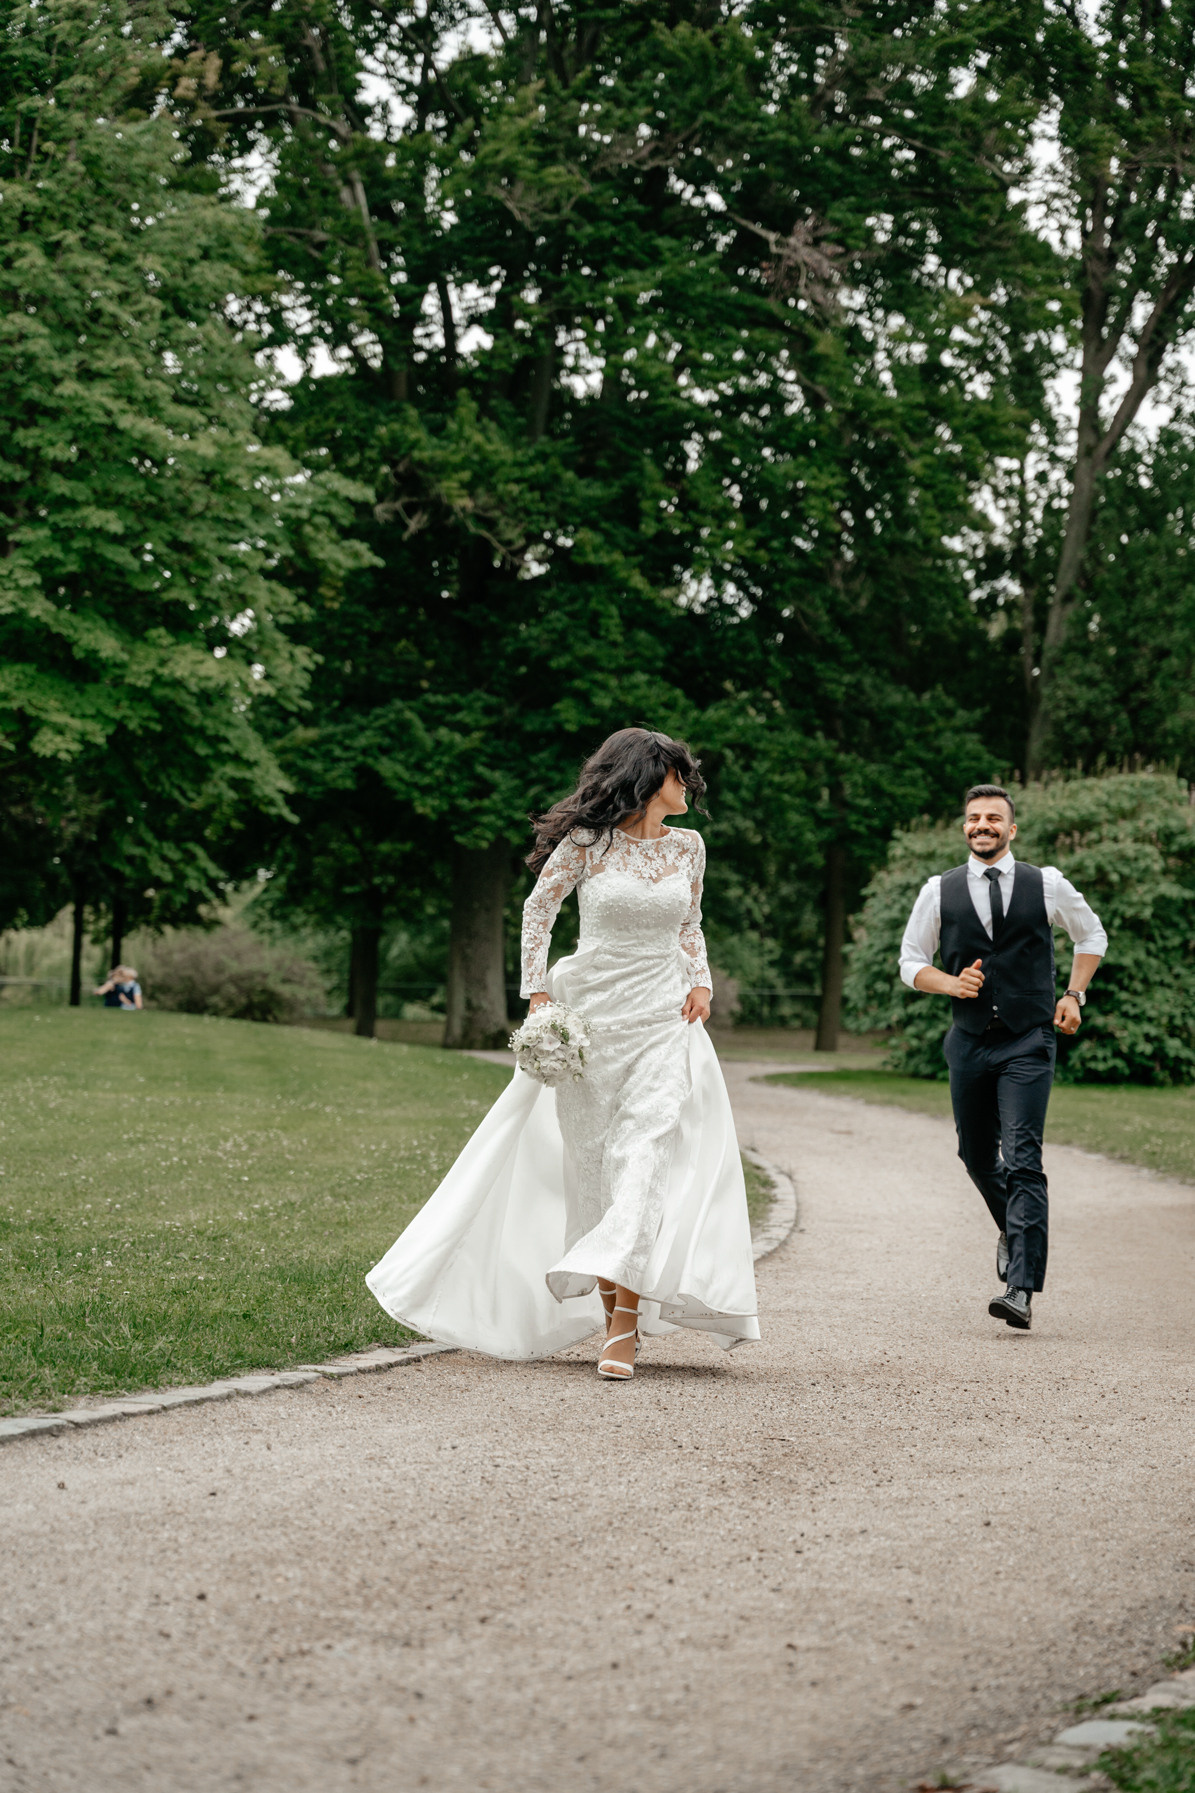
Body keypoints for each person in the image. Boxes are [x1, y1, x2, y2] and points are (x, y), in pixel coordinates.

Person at [367, 728, 760, 1376]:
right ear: (645, 775)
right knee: (596, 1170)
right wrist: (539, 994)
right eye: (676, 773)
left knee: (643, 1154)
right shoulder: (587, 844)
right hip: (592, 1018)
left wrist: (701, 980)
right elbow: (537, 909)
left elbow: (689, 923)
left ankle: (624, 1330)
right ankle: (613, 1315)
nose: (687, 785)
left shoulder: (689, 847)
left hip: (663, 1015)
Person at [899, 784, 1107, 1331]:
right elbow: (910, 961)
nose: (982, 825)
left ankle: (1020, 1287)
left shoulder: (1048, 884)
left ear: (1011, 830)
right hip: (968, 1042)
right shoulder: (938, 890)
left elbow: (1092, 936)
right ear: (964, 828)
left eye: (994, 818)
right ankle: (1013, 1231)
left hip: (1029, 1040)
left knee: (1022, 1158)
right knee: (974, 1153)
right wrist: (950, 984)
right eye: (973, 818)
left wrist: (1073, 994)